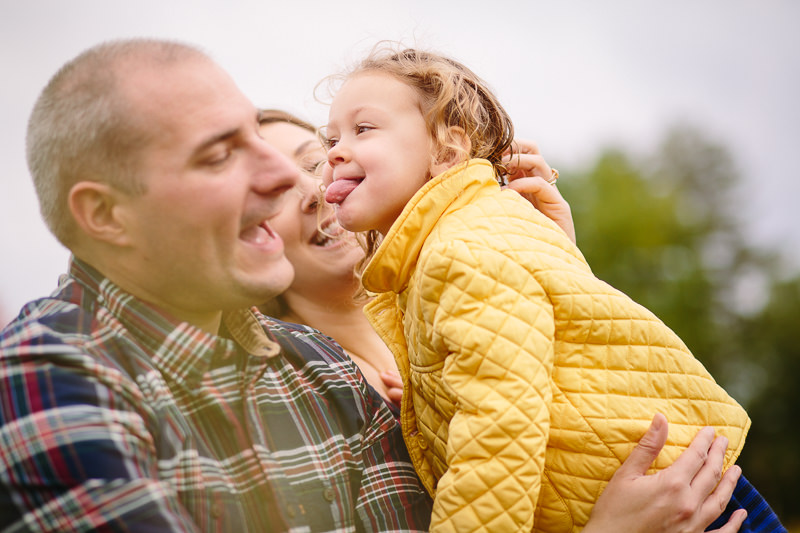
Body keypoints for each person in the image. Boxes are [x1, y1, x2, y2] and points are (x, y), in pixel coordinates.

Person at [0, 38, 745, 532]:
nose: (295, 177)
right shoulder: (48, 373)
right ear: (105, 214)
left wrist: (552, 274)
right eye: (218, 155)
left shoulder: (322, 375)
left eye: (286, 147)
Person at [320, 45, 785, 532]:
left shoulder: (461, 250)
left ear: (447, 150)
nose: (334, 152)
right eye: (330, 138)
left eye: (363, 128)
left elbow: (497, 435)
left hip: (683, 502)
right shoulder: (454, 245)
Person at [258, 109, 574, 408]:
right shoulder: (285, 386)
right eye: (273, 189)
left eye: (316, 162)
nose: (317, 191)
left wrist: (554, 267)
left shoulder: (471, 303)